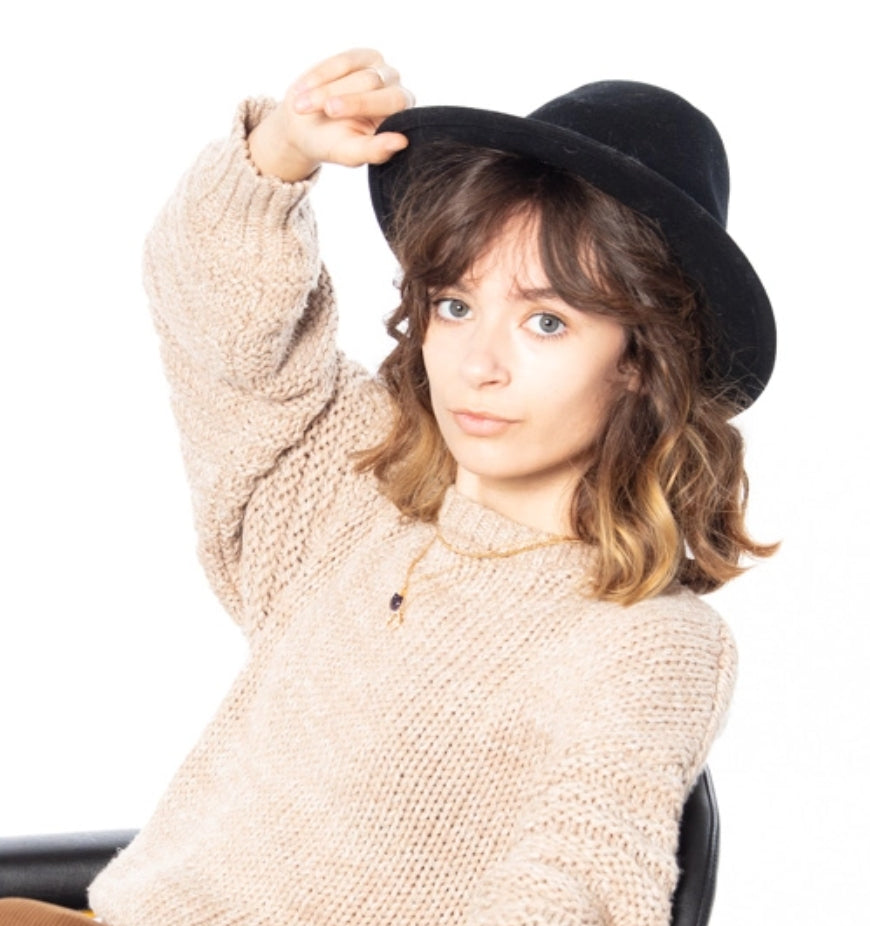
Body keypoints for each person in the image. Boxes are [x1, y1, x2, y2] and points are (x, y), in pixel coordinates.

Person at [1, 48, 775, 926]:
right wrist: (281, 154)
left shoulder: (648, 643)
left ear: (641, 362)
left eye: (547, 320)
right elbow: (224, 341)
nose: (478, 365)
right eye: (454, 304)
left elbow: (584, 884)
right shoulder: (355, 496)